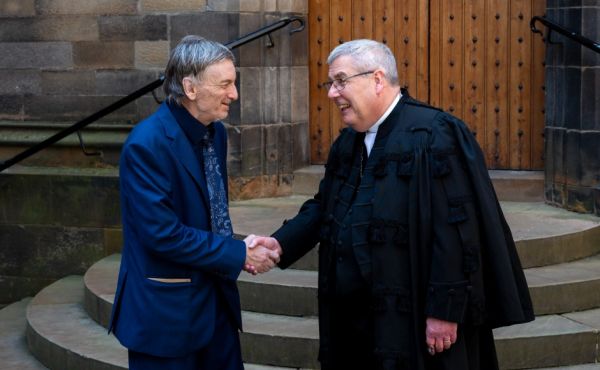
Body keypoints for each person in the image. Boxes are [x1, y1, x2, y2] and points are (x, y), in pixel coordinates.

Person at [251, 39, 534, 370]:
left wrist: (445, 311)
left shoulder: (433, 135)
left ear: (377, 79)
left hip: (413, 321)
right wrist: (280, 243)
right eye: (331, 83)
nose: (332, 93)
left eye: (341, 81)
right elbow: (324, 206)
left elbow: (457, 231)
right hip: (355, 323)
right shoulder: (348, 141)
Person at [108, 35, 280, 370]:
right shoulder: (146, 144)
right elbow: (163, 234)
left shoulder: (215, 131)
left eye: (235, 83)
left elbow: (211, 215)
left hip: (217, 307)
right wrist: (238, 253)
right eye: (226, 84)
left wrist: (237, 246)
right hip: (166, 318)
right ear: (190, 89)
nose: (234, 94)